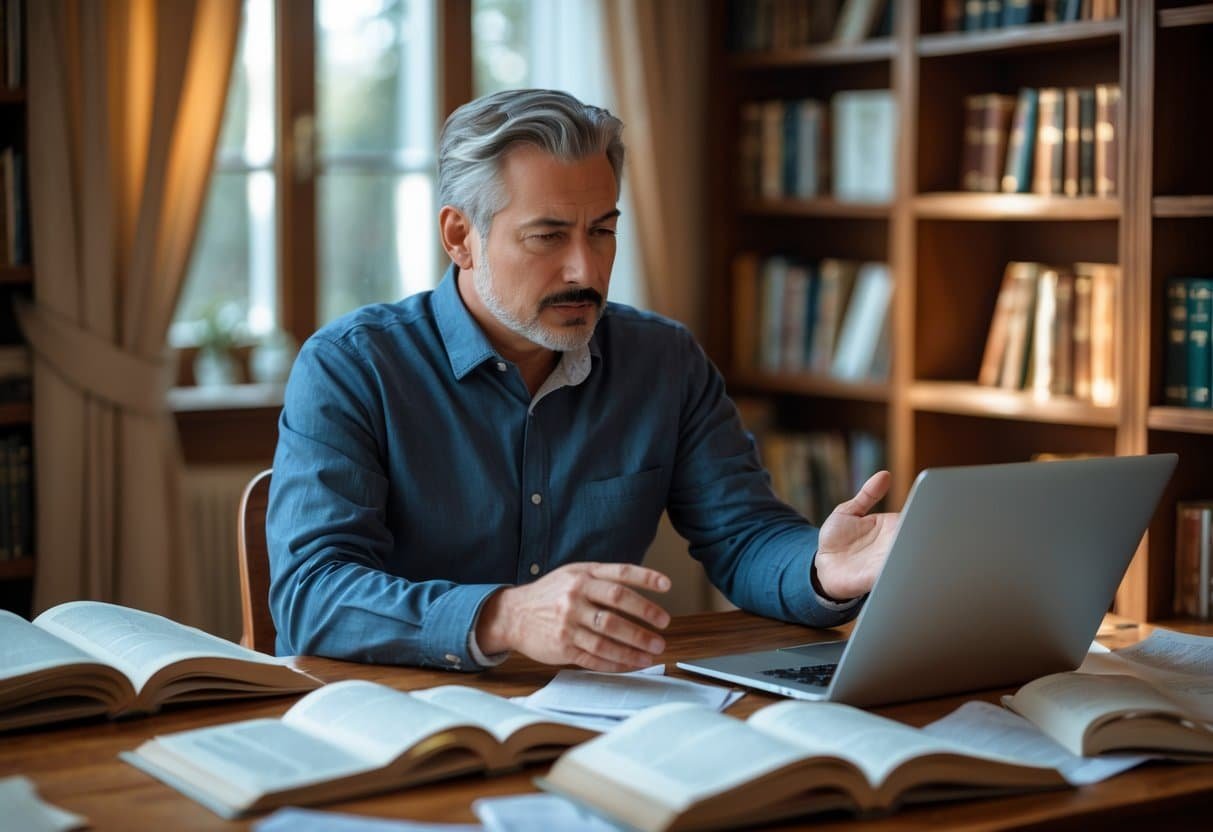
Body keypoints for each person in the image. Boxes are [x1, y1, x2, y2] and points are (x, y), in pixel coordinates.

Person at [267, 88, 898, 673]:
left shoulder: (663, 361)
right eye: (547, 236)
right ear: (460, 236)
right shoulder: (351, 366)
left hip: (602, 713)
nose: (585, 268)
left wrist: (822, 568)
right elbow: (310, 594)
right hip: (405, 720)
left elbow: (744, 537)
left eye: (602, 231)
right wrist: (505, 616)